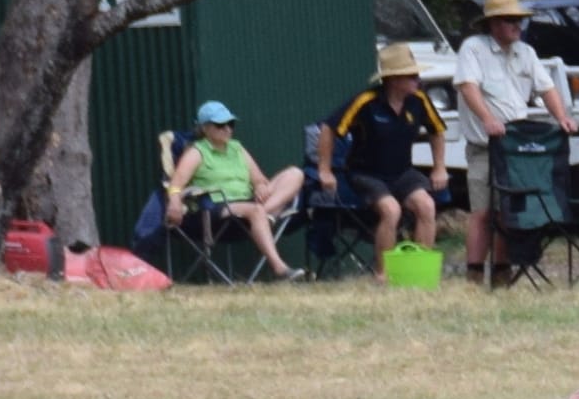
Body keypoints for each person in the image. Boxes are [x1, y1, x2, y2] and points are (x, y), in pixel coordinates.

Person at [453, 0, 577, 285]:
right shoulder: (473, 48)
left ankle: (502, 274)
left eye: (519, 20)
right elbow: (468, 87)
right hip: (485, 147)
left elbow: (547, 88)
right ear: (494, 23)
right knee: (482, 212)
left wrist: (561, 117)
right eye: (511, 20)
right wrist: (488, 119)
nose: (517, 26)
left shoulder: (526, 52)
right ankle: (473, 276)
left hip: (516, 148)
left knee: (508, 211)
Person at [320, 42, 448, 280]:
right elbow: (328, 128)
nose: (418, 80)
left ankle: (418, 274)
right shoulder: (366, 102)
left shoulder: (419, 100)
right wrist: (325, 170)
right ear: (394, 79)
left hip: (402, 172)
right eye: (412, 76)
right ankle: (383, 275)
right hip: (366, 173)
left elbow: (437, 131)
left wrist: (439, 167)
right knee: (391, 210)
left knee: (427, 206)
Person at [165, 100, 308, 282]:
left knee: (295, 173)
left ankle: (265, 214)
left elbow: (259, 178)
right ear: (205, 128)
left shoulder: (237, 148)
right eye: (220, 125)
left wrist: (260, 186)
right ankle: (280, 268)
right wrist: (175, 202)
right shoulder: (196, 152)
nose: (227, 129)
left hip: (249, 203)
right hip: (217, 207)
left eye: (230, 124)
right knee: (255, 210)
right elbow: (176, 184)